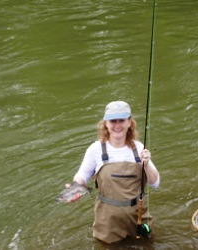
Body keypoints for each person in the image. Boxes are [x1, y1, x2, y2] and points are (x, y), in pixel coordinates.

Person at [67, 100, 160, 244]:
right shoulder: (95, 149)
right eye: (113, 121)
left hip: (139, 215)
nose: (117, 125)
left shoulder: (139, 148)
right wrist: (75, 188)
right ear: (106, 123)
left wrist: (146, 165)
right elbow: (82, 176)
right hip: (107, 221)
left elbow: (155, 183)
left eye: (121, 120)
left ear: (129, 122)